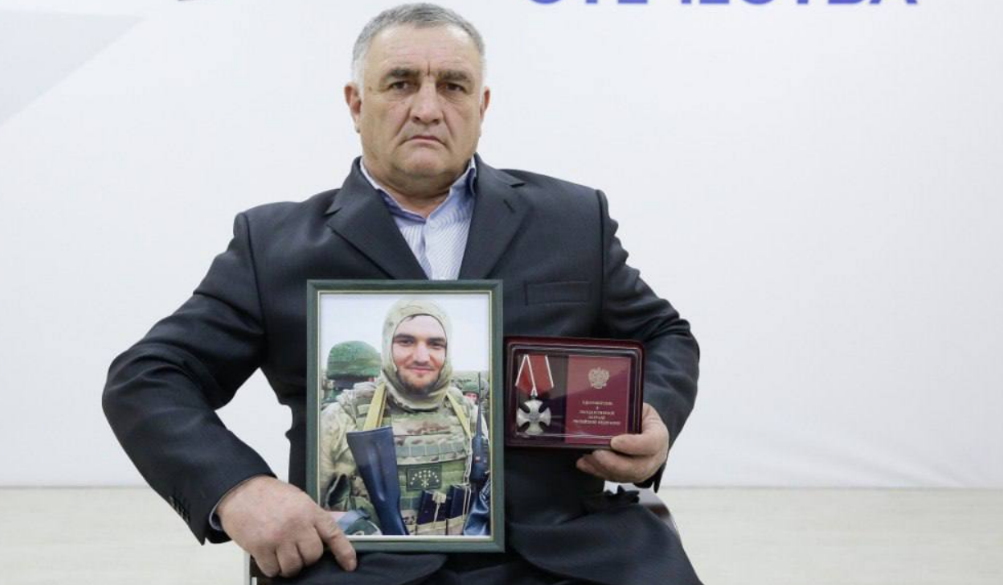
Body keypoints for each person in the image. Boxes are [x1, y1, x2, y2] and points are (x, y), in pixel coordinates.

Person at [103, 3, 701, 585]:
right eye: (401, 83)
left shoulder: (571, 220)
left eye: (453, 86)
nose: (427, 108)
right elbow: (149, 377)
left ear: (482, 106)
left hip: (567, 551)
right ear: (356, 103)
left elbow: (663, 335)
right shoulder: (274, 245)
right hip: (360, 560)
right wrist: (238, 490)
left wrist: (653, 417)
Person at [318, 298, 480, 536]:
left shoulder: (468, 414)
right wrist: (346, 524)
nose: (421, 356)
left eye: (435, 344)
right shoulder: (341, 416)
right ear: (387, 346)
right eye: (406, 341)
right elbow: (303, 513)